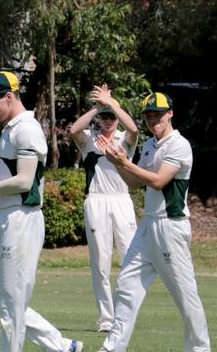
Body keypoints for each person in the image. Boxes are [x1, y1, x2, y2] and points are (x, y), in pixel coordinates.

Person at [0, 71, 84, 352]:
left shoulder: (27, 129)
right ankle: (63, 346)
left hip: (22, 218)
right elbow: (10, 177)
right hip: (7, 216)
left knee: (13, 301)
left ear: (9, 96)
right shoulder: (10, 129)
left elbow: (25, 181)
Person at [97, 92, 210, 352]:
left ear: (170, 114)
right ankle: (112, 348)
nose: (152, 120)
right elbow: (136, 182)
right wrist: (116, 164)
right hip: (148, 226)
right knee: (126, 285)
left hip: (171, 226)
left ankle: (200, 349)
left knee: (185, 295)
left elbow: (158, 181)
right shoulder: (150, 145)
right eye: (148, 116)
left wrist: (125, 161)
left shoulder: (179, 145)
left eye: (157, 115)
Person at [69, 84, 138, 333]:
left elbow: (133, 128)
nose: (108, 121)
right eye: (104, 117)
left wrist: (113, 104)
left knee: (130, 258)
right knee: (100, 261)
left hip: (121, 199)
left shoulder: (124, 140)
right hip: (97, 200)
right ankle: (106, 318)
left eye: (111, 117)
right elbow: (74, 129)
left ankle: (126, 314)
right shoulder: (89, 140)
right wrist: (98, 107)